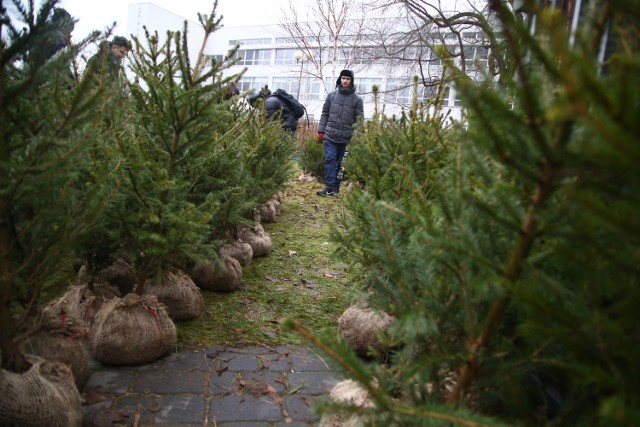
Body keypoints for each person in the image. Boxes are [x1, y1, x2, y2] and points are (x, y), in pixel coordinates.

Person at [316, 69, 364, 197]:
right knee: (330, 159)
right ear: (340, 79)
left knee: (340, 163)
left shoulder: (357, 100)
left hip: (346, 137)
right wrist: (321, 131)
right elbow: (325, 114)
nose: (345, 81)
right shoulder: (331, 96)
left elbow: (359, 119)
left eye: (348, 79)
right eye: (343, 78)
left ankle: (336, 188)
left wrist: (356, 134)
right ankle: (329, 187)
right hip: (330, 134)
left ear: (351, 81)